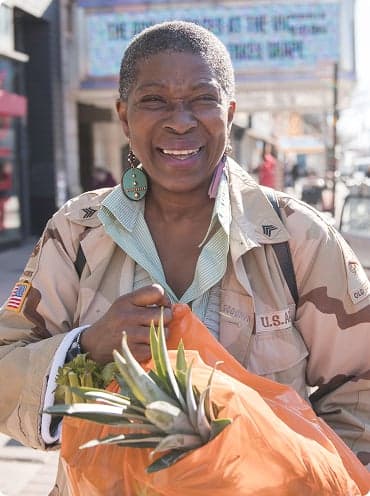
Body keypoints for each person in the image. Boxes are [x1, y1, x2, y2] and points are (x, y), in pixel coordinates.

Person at [0, 21, 369, 495]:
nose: (180, 120)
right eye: (154, 100)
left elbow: (361, 382)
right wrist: (85, 347)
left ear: (229, 112)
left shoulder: (295, 238)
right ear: (124, 116)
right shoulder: (76, 232)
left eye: (202, 99)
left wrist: (317, 479)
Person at [0, 160, 12, 231]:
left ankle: (1, 225)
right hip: (3, 194)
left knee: (2, 210)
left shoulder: (6, 175)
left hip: (2, 195)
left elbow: (8, 184)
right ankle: (1, 225)